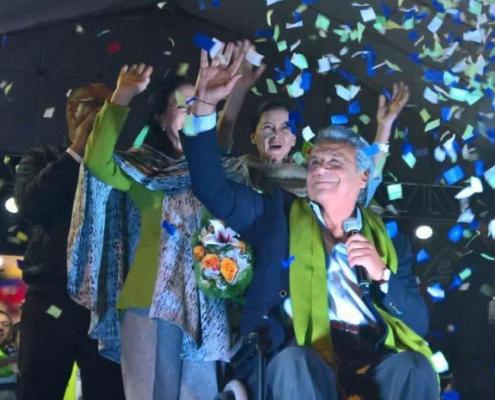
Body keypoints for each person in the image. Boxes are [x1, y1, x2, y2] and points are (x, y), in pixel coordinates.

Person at [180, 46, 438, 399]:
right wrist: (205, 106)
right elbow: (211, 187)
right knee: (295, 362)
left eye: (334, 162)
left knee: (415, 367)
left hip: (370, 354)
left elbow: (418, 324)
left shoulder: (390, 242)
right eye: (315, 162)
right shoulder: (277, 214)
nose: (320, 168)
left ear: (363, 177)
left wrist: (381, 274)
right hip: (298, 348)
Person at [67, 48, 244, 399]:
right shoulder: (144, 169)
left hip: (206, 305)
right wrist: (122, 96)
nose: (191, 110)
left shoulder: (219, 172)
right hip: (147, 300)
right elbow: (98, 163)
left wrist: (236, 92)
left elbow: (222, 141)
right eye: (182, 105)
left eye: (197, 104)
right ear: (162, 118)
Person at [13, 84, 125, 399]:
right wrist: (77, 149)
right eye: (96, 104)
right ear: (72, 109)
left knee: (108, 390)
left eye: (112, 107)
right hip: (51, 294)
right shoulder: (42, 158)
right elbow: (31, 204)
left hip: (104, 302)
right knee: (38, 389)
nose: (103, 113)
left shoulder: (121, 167)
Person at [217, 41, 410, 202]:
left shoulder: (314, 178)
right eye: (268, 127)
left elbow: (363, 181)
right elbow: (215, 152)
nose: (276, 134)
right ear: (253, 136)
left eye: (285, 128)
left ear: (293, 139)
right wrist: (238, 90)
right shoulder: (243, 169)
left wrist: (384, 127)